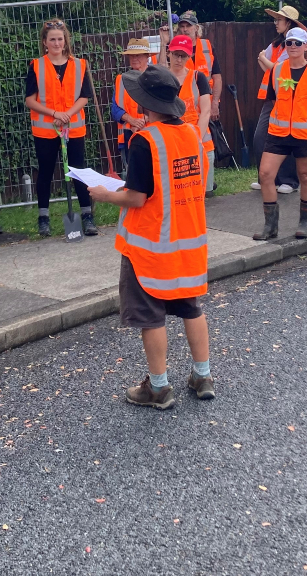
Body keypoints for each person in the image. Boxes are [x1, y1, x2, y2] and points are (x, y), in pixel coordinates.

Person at [87, 65, 213, 409]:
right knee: (191, 307)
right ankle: (202, 376)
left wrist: (103, 193)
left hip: (150, 248)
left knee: (150, 315)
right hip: (189, 242)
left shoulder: (145, 141)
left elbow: (137, 197)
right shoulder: (191, 135)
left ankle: (158, 388)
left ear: (144, 104)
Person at [253, 26, 307, 241]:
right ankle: (271, 226)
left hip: (305, 134)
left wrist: (304, 118)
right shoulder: (277, 70)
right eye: (289, 43)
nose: (293, 46)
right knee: (265, 174)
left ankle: (304, 223)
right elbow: (272, 98)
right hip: (278, 131)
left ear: (306, 46)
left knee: (305, 176)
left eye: (298, 43)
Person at [24, 18, 96, 237]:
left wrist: (67, 115)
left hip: (73, 128)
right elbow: (30, 100)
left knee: (78, 171)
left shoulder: (79, 64)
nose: (56, 43)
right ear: (45, 42)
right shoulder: (36, 66)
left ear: (66, 41)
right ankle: (43, 218)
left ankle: (87, 216)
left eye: (60, 39)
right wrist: (55, 114)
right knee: (45, 172)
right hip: (45, 130)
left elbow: (84, 97)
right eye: (52, 39)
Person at [252, 5, 307, 193]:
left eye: (279, 20)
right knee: (261, 137)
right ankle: (268, 179)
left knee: (286, 138)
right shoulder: (276, 44)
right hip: (272, 97)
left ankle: (289, 181)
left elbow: (277, 68)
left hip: (287, 98)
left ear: (289, 23)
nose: (275, 23)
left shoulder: (292, 46)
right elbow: (271, 67)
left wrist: (269, 64)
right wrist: (272, 67)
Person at [166, 34, 215, 187]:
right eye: (175, 55)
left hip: (199, 140)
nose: (179, 60)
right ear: (169, 53)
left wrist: (196, 139)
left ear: (190, 56)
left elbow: (206, 111)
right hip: (172, 142)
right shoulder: (162, 78)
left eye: (183, 56)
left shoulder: (197, 78)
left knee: (202, 191)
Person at [111, 38, 153, 169]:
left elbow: (163, 105)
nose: (134, 58)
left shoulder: (155, 78)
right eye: (132, 55)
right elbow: (115, 109)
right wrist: (132, 120)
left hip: (153, 133)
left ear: (147, 57)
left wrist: (143, 121)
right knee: (133, 176)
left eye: (138, 55)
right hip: (128, 136)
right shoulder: (121, 80)